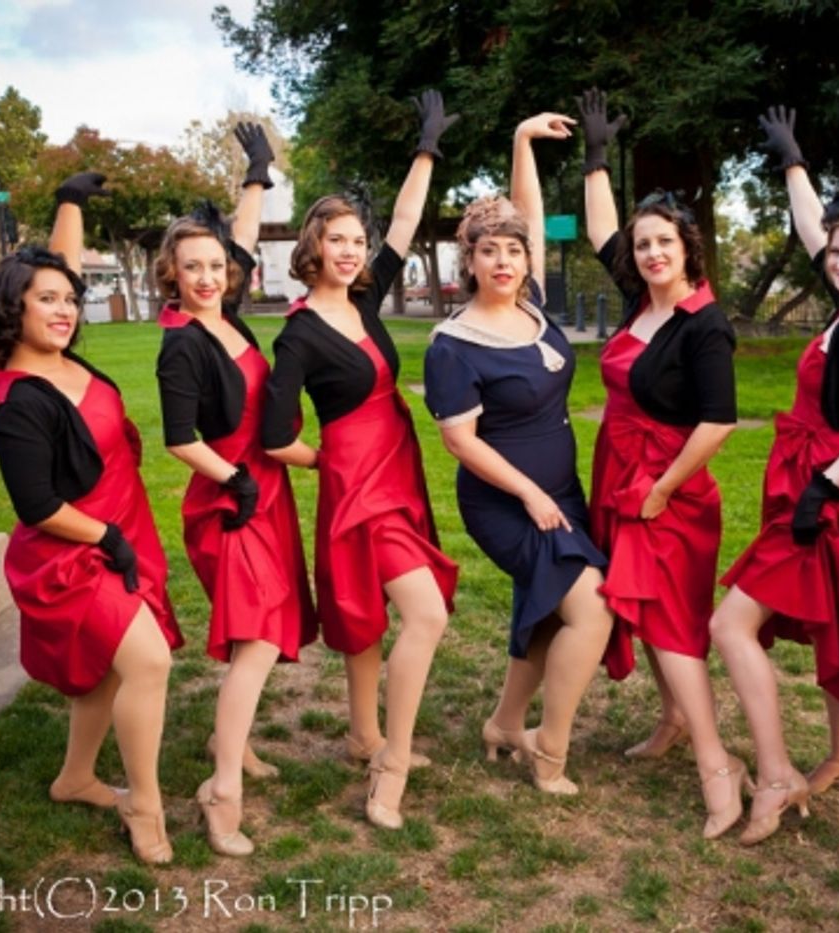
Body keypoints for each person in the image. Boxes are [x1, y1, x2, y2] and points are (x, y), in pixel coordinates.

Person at [710, 105, 839, 845]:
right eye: (838, 253)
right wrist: (793, 159)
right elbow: (813, 231)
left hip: (819, 490)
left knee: (730, 623)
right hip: (812, 482)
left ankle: (775, 772)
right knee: (835, 614)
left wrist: (821, 489)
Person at [261, 91, 459, 829]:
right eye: (336, 240)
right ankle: (391, 760)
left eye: (355, 240)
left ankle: (362, 732)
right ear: (310, 249)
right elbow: (275, 436)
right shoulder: (299, 335)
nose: (349, 250)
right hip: (359, 486)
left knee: (374, 616)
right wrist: (332, 460)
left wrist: (427, 146)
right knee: (425, 614)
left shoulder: (367, 301)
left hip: (398, 473)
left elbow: (405, 223)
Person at [0, 172, 181, 864]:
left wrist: (70, 204)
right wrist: (109, 538)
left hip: (122, 528)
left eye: (70, 300)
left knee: (111, 670)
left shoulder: (64, 358)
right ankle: (145, 808)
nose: (64, 311)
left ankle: (76, 776)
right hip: (72, 549)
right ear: (12, 309)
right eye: (46, 302)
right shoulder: (16, 398)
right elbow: (37, 506)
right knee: (146, 660)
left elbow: (51, 272)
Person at [423, 112, 613, 796]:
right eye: (488, 251)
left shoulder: (530, 306)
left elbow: (525, 213)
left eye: (513, 250)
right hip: (506, 503)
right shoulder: (454, 342)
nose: (503, 260)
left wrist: (522, 143)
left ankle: (506, 723)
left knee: (546, 608)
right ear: (468, 261)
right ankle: (550, 751)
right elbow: (459, 439)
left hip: (560, 493)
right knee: (591, 609)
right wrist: (530, 494)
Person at [577, 89, 746, 837]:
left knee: (672, 624)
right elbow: (601, 231)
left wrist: (660, 489)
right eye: (642, 245)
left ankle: (720, 769)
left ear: (689, 249)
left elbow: (719, 422)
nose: (648, 253)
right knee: (642, 613)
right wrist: (596, 158)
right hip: (618, 472)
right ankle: (676, 720)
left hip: (671, 489)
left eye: (663, 244)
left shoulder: (704, 323)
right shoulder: (636, 300)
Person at [153, 124, 317, 855]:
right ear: (173, 275)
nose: (209, 276)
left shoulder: (231, 322)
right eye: (193, 268)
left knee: (266, 631)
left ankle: (236, 740)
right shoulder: (182, 343)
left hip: (268, 492)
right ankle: (222, 790)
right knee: (254, 642)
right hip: (230, 501)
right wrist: (237, 479)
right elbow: (179, 437)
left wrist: (258, 172)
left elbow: (240, 238)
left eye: (216, 265)